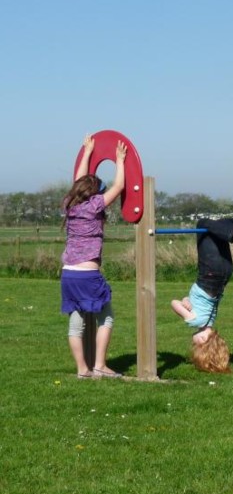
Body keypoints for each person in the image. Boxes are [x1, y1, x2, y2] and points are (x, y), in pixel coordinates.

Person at [61, 135, 127, 379]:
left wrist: (87, 152)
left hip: (68, 274)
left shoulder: (70, 203)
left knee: (75, 324)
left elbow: (78, 181)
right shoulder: (94, 205)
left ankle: (82, 370)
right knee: (106, 317)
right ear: (94, 193)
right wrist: (120, 161)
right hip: (88, 274)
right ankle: (100, 365)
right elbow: (118, 187)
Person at [171, 214, 233, 373]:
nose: (192, 341)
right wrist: (181, 303)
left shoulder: (210, 319)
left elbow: (197, 301)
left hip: (225, 273)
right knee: (202, 224)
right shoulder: (193, 321)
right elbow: (173, 303)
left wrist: (186, 300)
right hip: (210, 273)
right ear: (202, 340)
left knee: (215, 229)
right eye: (195, 344)